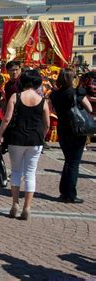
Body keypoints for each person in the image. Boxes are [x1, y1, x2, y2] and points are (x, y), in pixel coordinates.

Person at [0, 70, 50, 220]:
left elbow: (6, 119)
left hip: (16, 138)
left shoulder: (16, 96)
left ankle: (15, 203)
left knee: (16, 171)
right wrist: (42, 136)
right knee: (30, 173)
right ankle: (27, 206)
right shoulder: (42, 100)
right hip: (35, 140)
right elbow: (47, 123)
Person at [50, 68, 92, 204]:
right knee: (74, 163)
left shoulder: (55, 94)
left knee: (68, 161)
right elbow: (90, 108)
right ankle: (70, 194)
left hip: (63, 129)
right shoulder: (76, 92)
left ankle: (64, 191)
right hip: (76, 129)